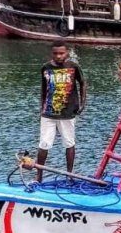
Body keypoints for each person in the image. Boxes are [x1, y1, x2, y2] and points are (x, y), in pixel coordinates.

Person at [35, 42, 85, 181]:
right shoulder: (46, 68)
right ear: (52, 54)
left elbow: (82, 83)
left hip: (68, 113)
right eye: (56, 53)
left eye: (61, 53)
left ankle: (69, 175)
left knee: (69, 143)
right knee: (44, 144)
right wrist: (42, 107)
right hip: (49, 112)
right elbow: (43, 88)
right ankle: (38, 176)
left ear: (67, 53)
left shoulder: (73, 67)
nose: (58, 56)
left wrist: (82, 103)